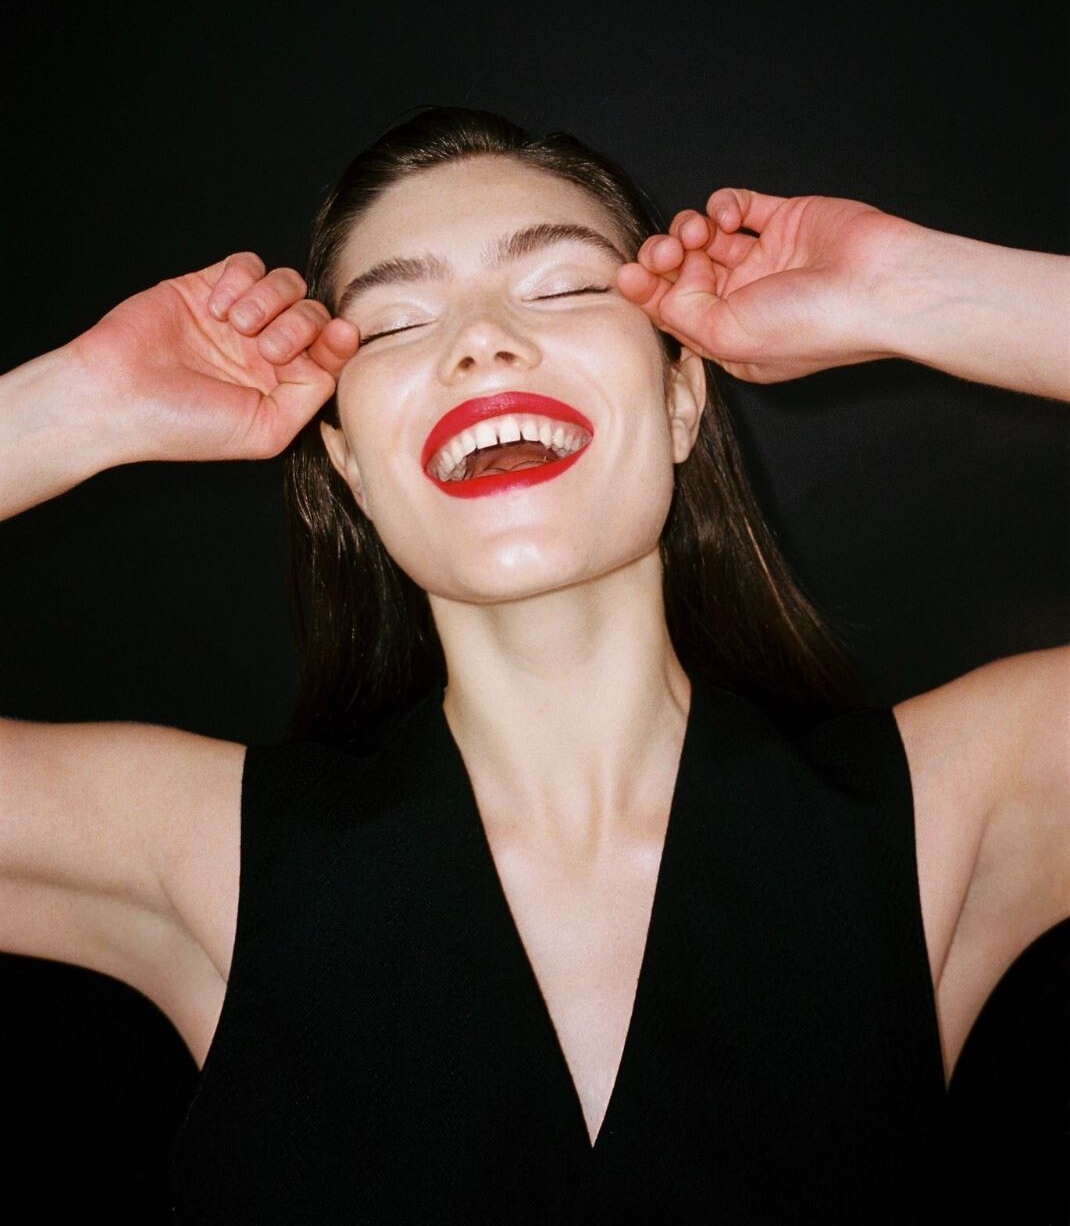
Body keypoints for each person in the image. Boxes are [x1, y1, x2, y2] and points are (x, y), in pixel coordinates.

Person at [0, 106, 1066, 1223]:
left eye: (560, 288)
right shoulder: (200, 854)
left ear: (679, 399)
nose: (481, 342)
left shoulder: (947, 810)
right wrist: (83, 405)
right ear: (351, 468)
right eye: (397, 322)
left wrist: (912, 292)